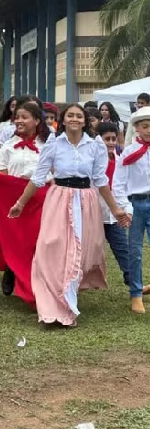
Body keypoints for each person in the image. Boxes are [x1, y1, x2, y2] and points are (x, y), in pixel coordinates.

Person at [9, 104, 131, 326]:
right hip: (58, 199)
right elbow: (38, 177)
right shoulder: (54, 144)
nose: (74, 119)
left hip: (86, 201)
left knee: (77, 252)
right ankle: (51, 305)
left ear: (84, 121)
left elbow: (101, 180)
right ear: (63, 120)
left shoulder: (95, 146)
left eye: (79, 116)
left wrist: (115, 209)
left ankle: (67, 305)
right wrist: (20, 203)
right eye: (70, 115)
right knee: (51, 248)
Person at [0, 101, 52, 302]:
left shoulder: (48, 145)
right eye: (17, 117)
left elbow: (55, 173)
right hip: (13, 197)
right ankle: (11, 268)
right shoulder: (8, 147)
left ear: (36, 121)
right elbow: (2, 176)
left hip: (41, 197)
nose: (19, 121)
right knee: (16, 238)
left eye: (24, 117)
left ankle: (34, 283)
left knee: (36, 240)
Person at [112, 107, 150, 312]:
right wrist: (125, 207)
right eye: (145, 126)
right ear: (136, 128)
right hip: (136, 203)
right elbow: (118, 183)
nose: (149, 130)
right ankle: (136, 293)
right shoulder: (128, 152)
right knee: (134, 250)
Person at [97, 121, 136, 311]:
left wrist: (126, 209)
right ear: (98, 140)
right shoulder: (94, 160)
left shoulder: (120, 159)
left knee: (123, 249)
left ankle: (134, 285)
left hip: (114, 215)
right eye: (107, 139)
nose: (111, 142)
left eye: (114, 138)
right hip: (94, 213)